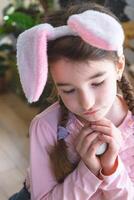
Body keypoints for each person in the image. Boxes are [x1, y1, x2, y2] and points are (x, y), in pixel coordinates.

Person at [10, 2, 134, 200]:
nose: (87, 103)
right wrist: (88, 171)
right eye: (68, 90)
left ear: (119, 67)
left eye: (97, 83)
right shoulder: (45, 126)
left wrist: (111, 168)